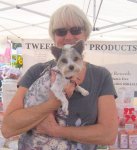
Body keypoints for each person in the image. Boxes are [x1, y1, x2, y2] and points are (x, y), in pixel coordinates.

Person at [1, 4, 118, 150]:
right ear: (54, 37)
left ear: (86, 34)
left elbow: (109, 135)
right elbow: (8, 128)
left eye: (76, 30)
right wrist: (52, 104)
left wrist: (55, 130)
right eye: (61, 31)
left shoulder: (100, 76)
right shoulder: (36, 71)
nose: (68, 36)